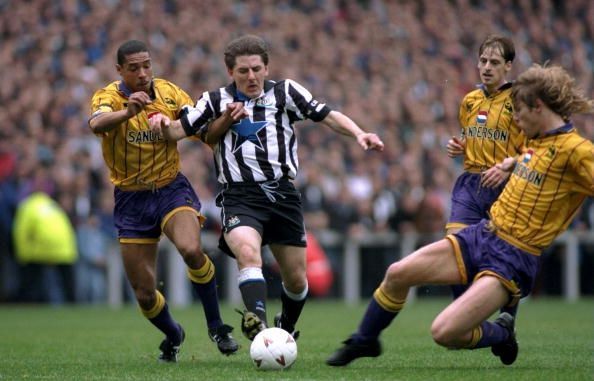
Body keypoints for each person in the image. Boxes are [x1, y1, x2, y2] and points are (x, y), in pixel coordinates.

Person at [326, 63, 594, 367]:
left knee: (445, 332)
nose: (515, 119)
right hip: (483, 234)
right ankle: (365, 340)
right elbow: (539, 162)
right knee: (397, 273)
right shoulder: (536, 139)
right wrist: (512, 162)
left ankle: (502, 333)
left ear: (538, 107)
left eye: (518, 111)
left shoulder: (578, 151)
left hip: (513, 257)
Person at [149, 34, 385, 341]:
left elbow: (327, 116)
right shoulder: (215, 100)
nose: (252, 76)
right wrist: (161, 125)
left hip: (283, 195)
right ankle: (259, 327)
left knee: (298, 281)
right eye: (244, 71)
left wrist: (359, 133)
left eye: (257, 69)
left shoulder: (285, 92)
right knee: (248, 252)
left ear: (266, 68)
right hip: (240, 196)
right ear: (230, 71)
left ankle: (284, 326)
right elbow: (178, 131)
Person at [88, 40, 238, 362]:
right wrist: (126, 112)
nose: (143, 73)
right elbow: (96, 124)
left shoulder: (171, 94)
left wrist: (226, 119)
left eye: (147, 65)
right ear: (119, 70)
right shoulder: (108, 97)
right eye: (133, 68)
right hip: (131, 199)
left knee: (191, 249)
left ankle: (216, 326)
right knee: (144, 293)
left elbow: (206, 134)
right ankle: (174, 334)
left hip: (171, 188)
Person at [445, 35, 525, 318]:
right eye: (483, 61)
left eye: (494, 62)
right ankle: (465, 321)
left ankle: (506, 319)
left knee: (502, 259)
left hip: (506, 187)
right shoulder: (470, 100)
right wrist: (461, 146)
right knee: (454, 250)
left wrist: (509, 165)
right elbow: (473, 138)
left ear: (508, 66)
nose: (487, 67)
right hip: (470, 183)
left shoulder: (519, 101)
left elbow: (534, 150)